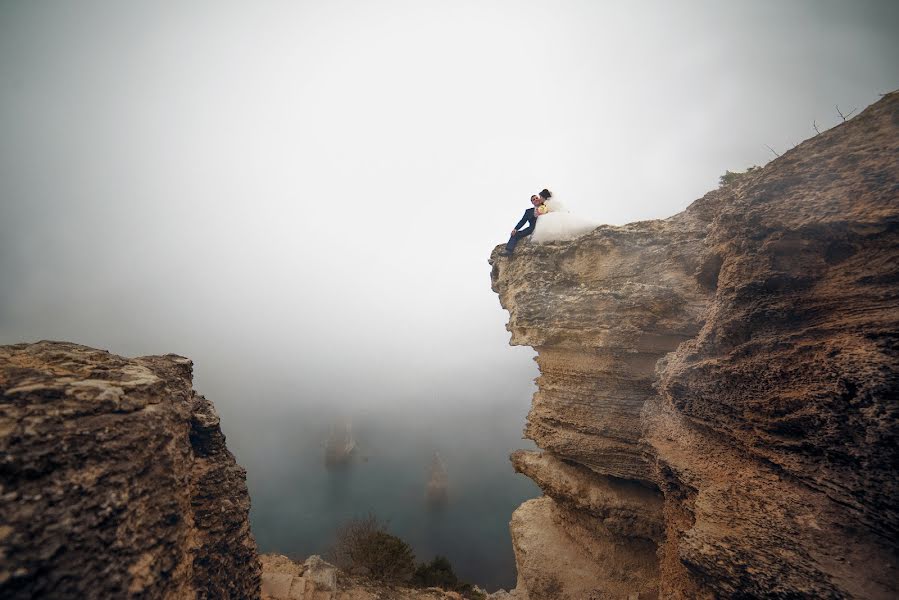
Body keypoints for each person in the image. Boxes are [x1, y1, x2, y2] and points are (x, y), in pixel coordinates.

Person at [529, 188, 598, 243]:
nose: (539, 198)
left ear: (543, 197)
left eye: (540, 197)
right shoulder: (544, 204)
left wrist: (544, 213)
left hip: (555, 217)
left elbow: (553, 209)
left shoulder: (548, 203)